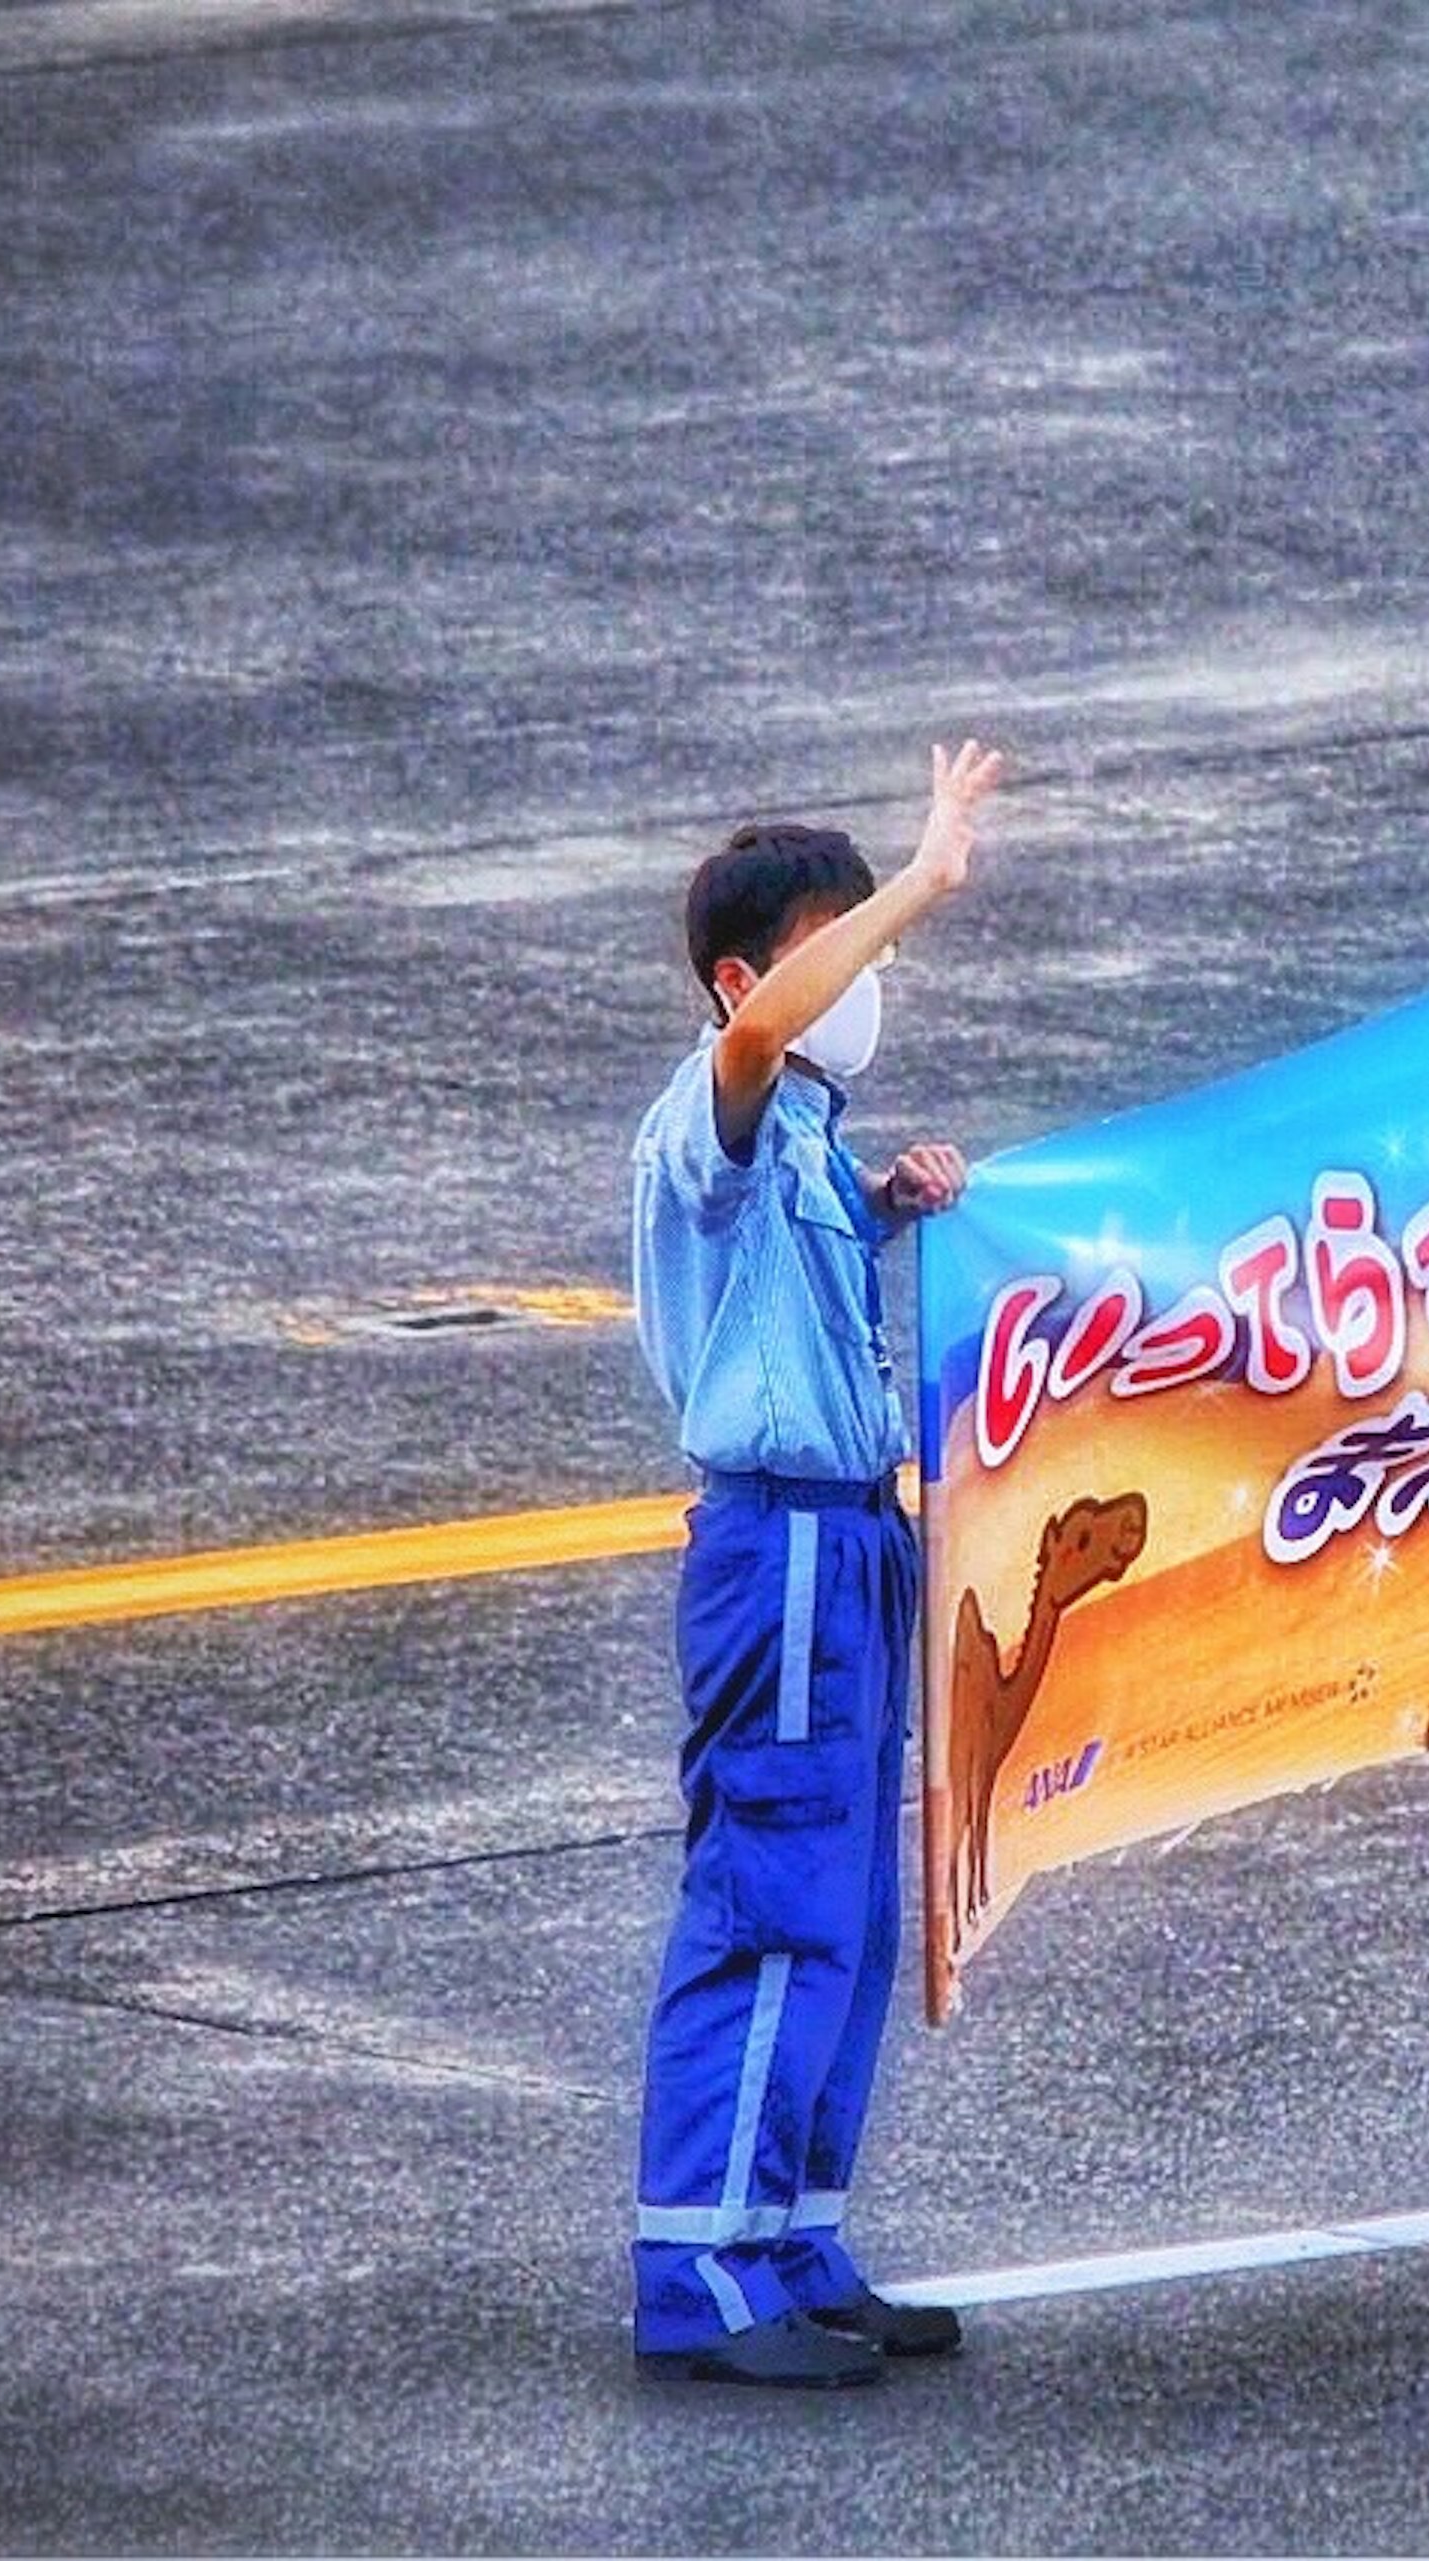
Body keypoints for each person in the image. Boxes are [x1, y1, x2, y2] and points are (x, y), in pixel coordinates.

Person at [626, 739, 1003, 2387]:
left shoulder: (802, 1143)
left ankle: (790, 2234)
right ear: (738, 976)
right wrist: (922, 876)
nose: (873, 975)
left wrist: (885, 1203)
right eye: (844, 940)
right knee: (771, 1900)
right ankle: (699, 2272)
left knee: (846, 1904)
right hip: (776, 1549)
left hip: (857, 1544)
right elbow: (772, 1033)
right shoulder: (717, 1103)